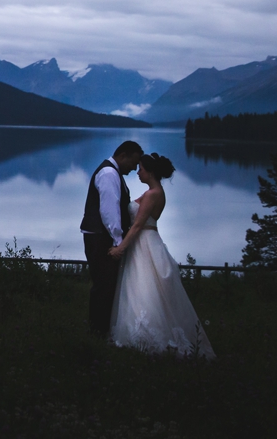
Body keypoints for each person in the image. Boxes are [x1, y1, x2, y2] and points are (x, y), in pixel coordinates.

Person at [110, 152, 216, 359]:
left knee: (144, 286)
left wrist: (121, 247)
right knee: (142, 286)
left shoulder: (152, 194)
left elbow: (138, 225)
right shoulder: (156, 191)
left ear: (150, 171)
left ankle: (147, 338)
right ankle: (142, 335)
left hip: (144, 242)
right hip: (149, 240)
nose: (138, 172)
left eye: (140, 169)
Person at [82, 140, 142, 340]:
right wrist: (118, 241)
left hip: (99, 236)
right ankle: (98, 332)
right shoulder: (109, 174)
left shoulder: (111, 172)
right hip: (102, 238)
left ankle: (99, 330)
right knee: (104, 286)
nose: (134, 168)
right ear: (123, 155)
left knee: (106, 284)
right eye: (133, 163)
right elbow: (109, 210)